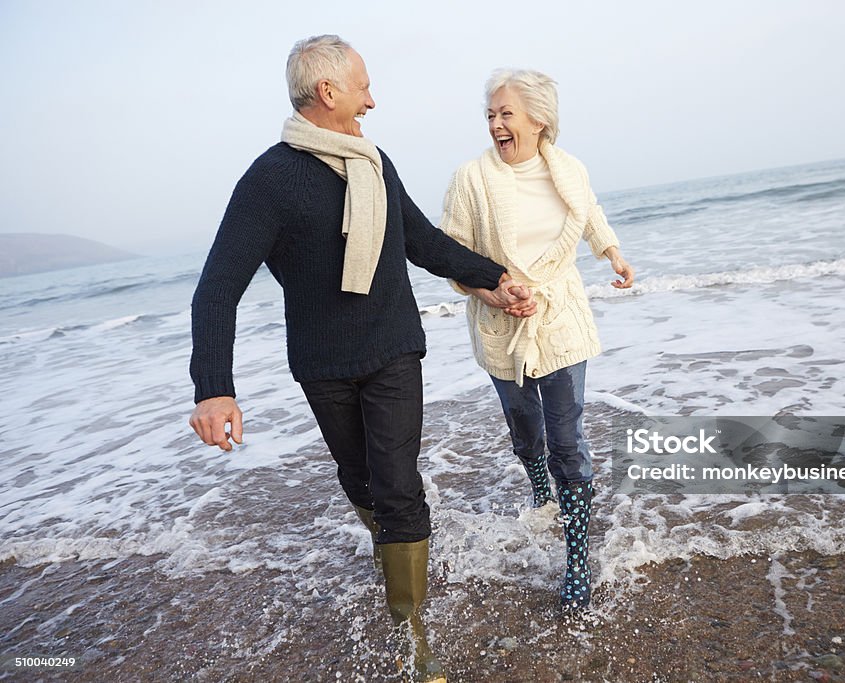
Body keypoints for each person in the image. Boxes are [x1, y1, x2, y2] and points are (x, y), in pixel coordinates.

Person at [188, 35, 533, 682]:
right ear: (328, 93)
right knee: (359, 479)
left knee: (398, 484)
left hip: (393, 348)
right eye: (363, 86)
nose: (372, 99)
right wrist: (214, 387)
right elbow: (218, 287)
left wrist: (492, 277)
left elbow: (422, 241)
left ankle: (411, 624)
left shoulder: (374, 163)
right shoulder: (269, 181)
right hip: (323, 364)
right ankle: (394, 553)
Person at [440, 69, 634, 611]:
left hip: (559, 315)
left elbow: (588, 212)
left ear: (538, 121)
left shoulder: (568, 169)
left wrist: (611, 251)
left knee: (567, 439)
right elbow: (450, 256)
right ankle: (538, 485)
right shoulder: (471, 179)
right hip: (501, 321)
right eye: (491, 115)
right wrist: (495, 291)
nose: (496, 124)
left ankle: (577, 557)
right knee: (526, 432)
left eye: (506, 114)